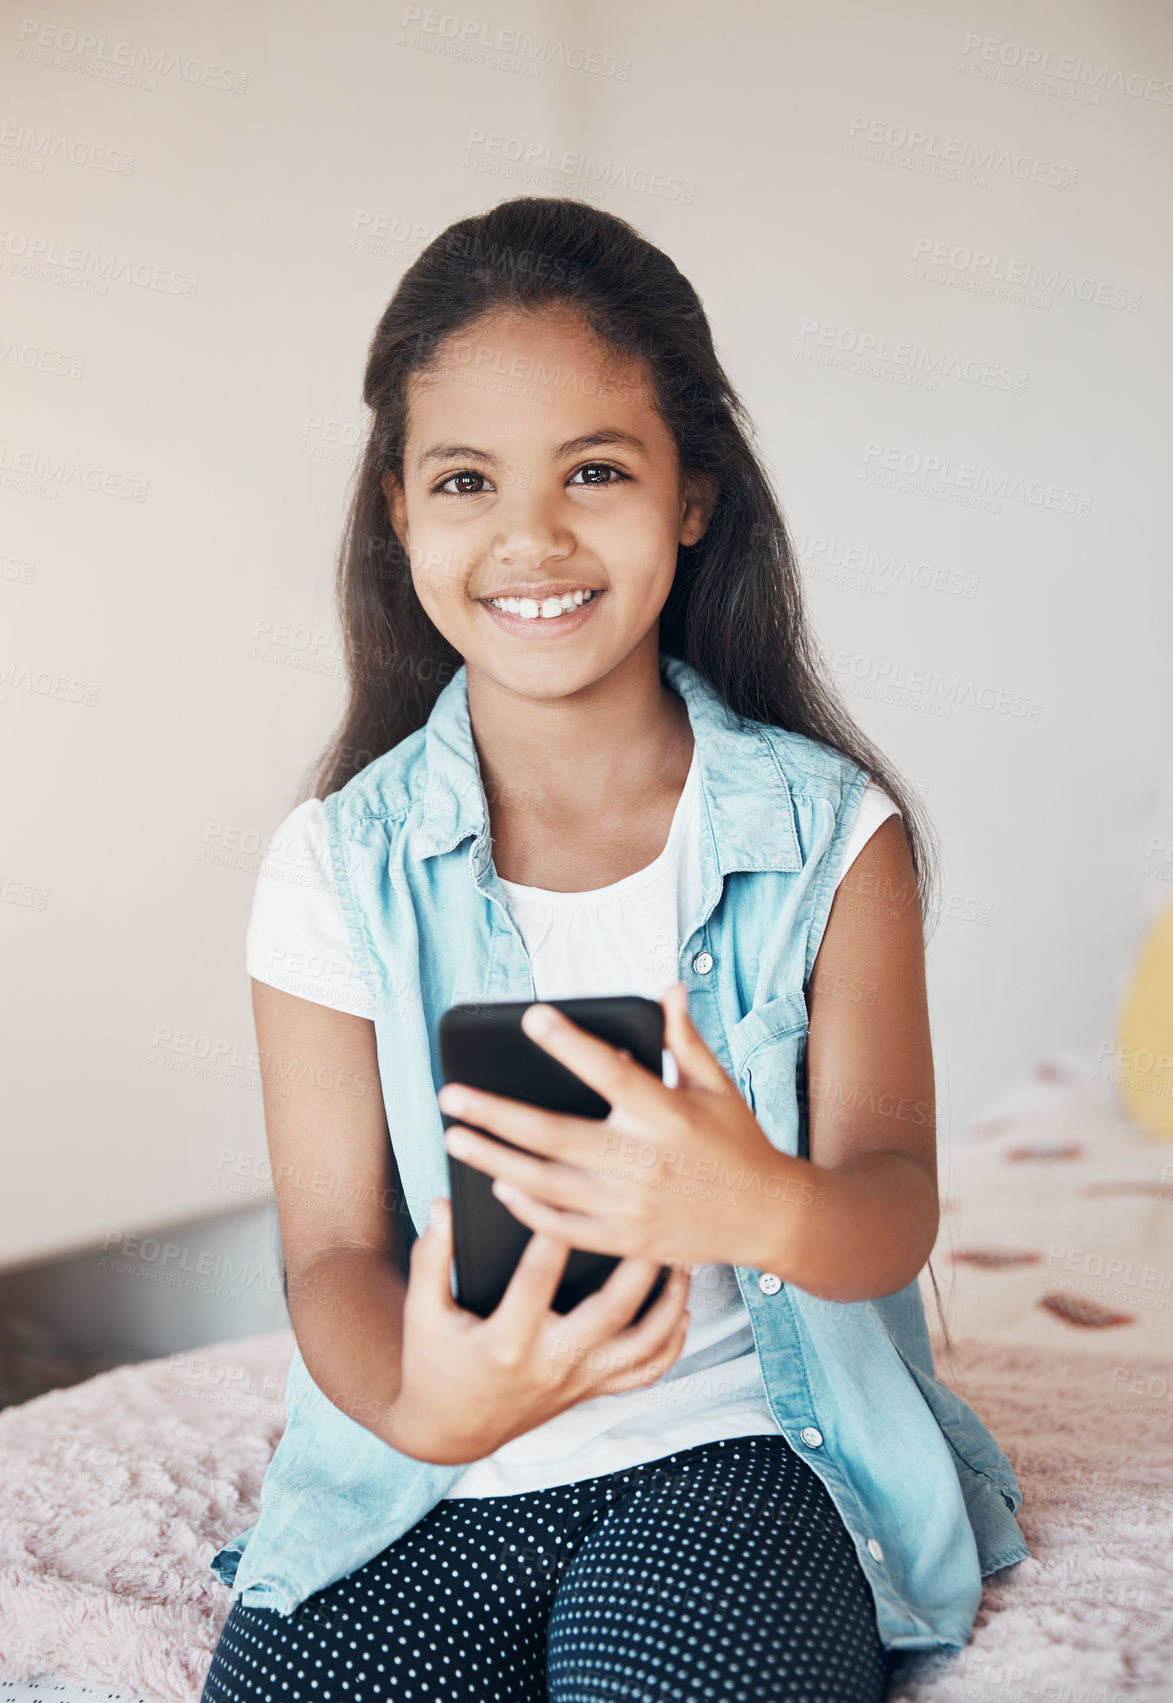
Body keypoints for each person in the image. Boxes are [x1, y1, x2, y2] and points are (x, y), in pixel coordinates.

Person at [203, 195, 1029, 1702]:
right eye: (465, 479)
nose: (532, 536)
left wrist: (754, 1202)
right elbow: (330, 1252)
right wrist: (426, 1404)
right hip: (428, 1475)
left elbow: (888, 1213)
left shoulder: (829, 837)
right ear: (396, 511)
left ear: (692, 495)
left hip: (735, 1455)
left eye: (596, 469)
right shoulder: (332, 865)